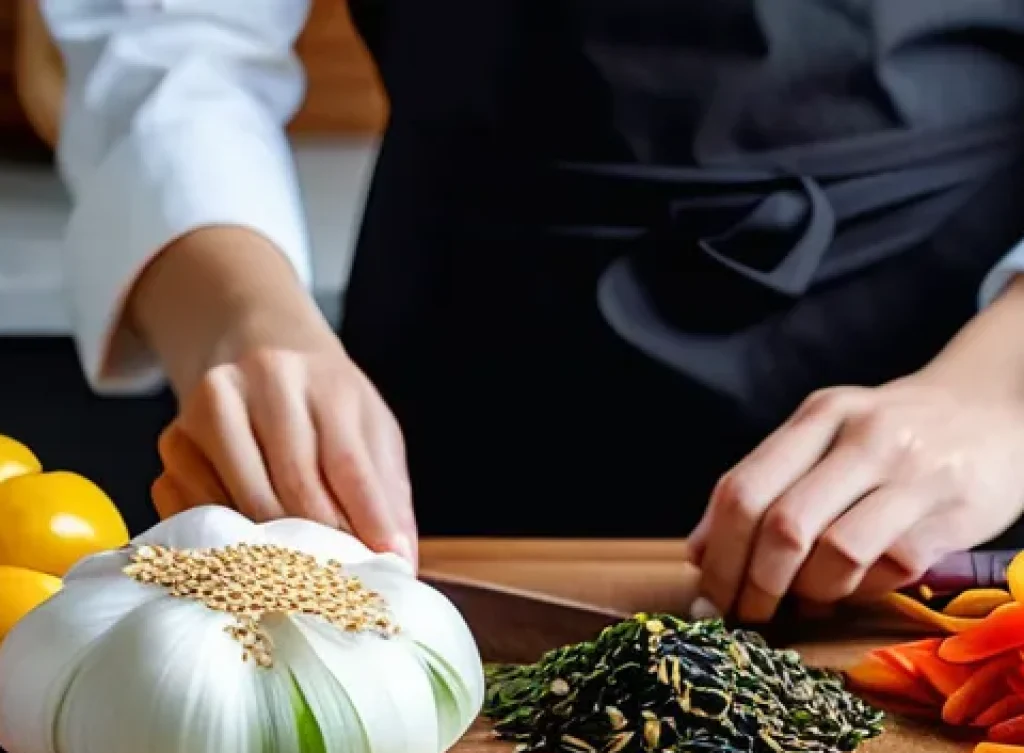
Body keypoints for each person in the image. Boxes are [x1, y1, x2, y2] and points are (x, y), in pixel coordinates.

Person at [43, 1, 1024, 624]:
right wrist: (236, 314)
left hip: (955, 356)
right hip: (467, 337)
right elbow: (165, 33)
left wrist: (1002, 390)